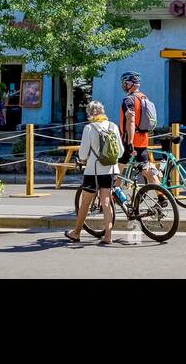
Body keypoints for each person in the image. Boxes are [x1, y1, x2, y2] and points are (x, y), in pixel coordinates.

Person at [65, 100, 120, 245]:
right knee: (106, 202)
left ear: (90, 114)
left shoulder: (89, 128)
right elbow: (120, 152)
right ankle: (108, 236)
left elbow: (83, 155)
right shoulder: (113, 126)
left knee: (85, 203)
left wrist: (85, 159)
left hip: (93, 171)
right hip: (112, 169)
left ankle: (76, 233)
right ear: (103, 111)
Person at [119, 72, 160, 185]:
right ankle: (161, 195)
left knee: (118, 167)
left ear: (129, 84)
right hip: (143, 139)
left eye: (124, 83)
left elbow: (131, 121)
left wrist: (130, 142)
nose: (123, 85)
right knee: (146, 169)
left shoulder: (128, 100)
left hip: (130, 140)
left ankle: (113, 194)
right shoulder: (144, 97)